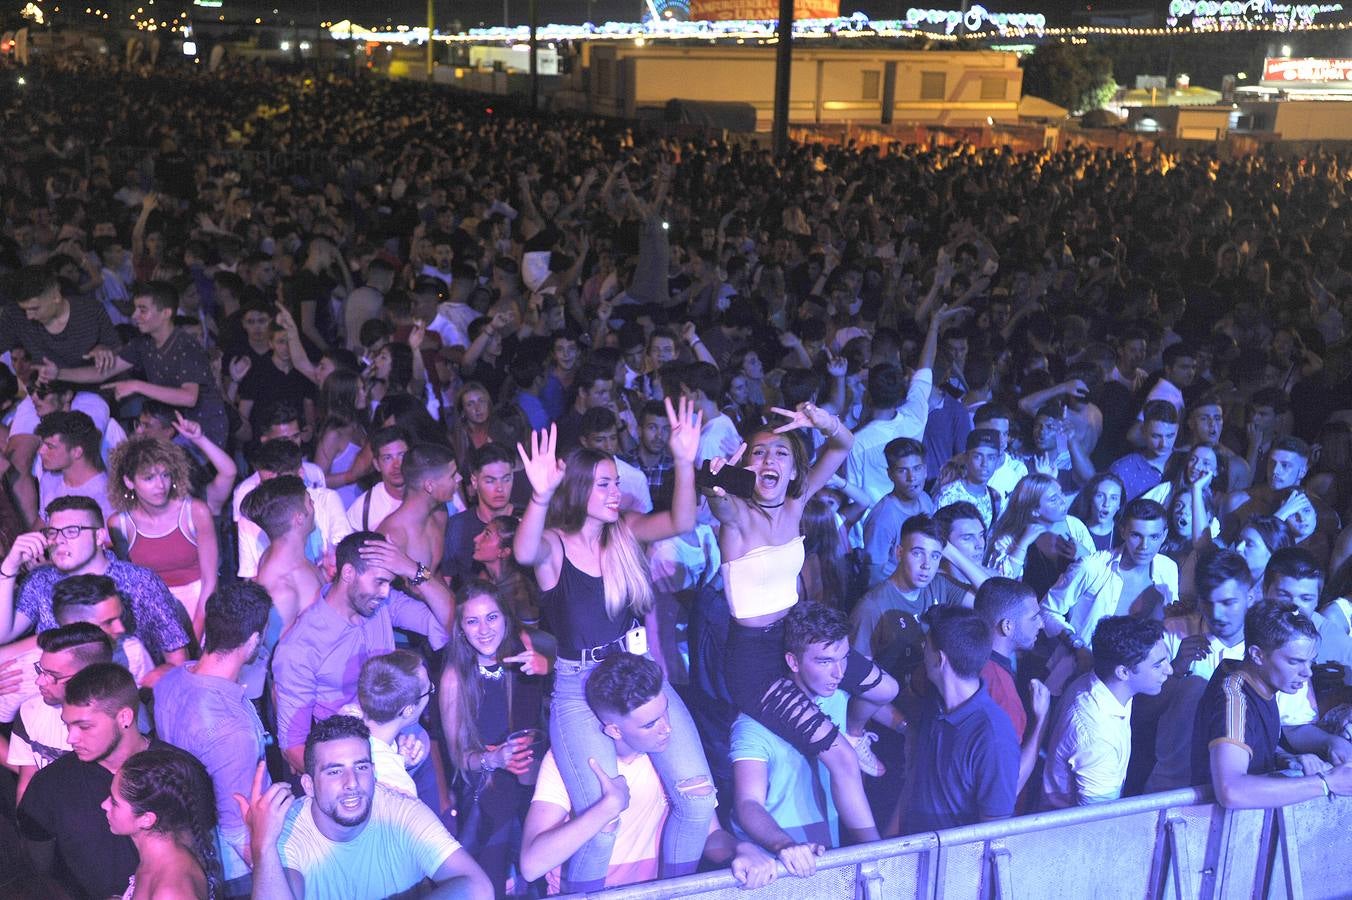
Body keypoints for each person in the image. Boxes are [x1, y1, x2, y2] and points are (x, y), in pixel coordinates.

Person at [513, 398, 714, 891]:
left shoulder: (623, 533)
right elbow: (523, 550)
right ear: (579, 488)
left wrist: (685, 460)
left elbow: (683, 521)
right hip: (580, 689)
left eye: (616, 482)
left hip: (637, 675)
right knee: (601, 826)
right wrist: (539, 496)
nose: (614, 491)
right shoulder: (555, 547)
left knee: (697, 799)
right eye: (604, 483)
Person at [519, 653, 778, 892]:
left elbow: (710, 835)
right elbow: (531, 866)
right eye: (650, 724)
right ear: (615, 730)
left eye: (665, 711)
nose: (666, 728)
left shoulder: (672, 758)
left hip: (653, 891)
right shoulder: (569, 760)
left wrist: (740, 848)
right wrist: (607, 807)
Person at [238, 715, 495, 900]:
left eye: (361, 767)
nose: (352, 783)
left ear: (373, 772)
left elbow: (479, 887)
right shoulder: (289, 827)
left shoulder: (403, 812)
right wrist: (263, 847)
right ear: (309, 785)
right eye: (334, 771)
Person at [271, 531, 451, 775]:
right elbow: (293, 746)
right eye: (379, 581)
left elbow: (448, 622)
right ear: (348, 573)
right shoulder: (300, 648)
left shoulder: (383, 604)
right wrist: (359, 781)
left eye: (390, 582)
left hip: (413, 753)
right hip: (360, 776)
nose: (386, 592)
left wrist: (413, 569)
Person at [153, 579, 273, 893]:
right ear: (253, 640)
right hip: (237, 870)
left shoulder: (170, 681)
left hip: (190, 840)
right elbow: (237, 831)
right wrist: (272, 876)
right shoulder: (233, 730)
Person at [439, 581, 549, 897]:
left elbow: (571, 655)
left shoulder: (527, 653)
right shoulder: (454, 678)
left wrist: (547, 665)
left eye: (492, 617)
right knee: (492, 884)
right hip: (488, 794)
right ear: (460, 628)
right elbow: (459, 756)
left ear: (505, 618)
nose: (484, 629)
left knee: (541, 881)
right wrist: (493, 759)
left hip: (535, 787)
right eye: (472, 621)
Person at [0, 496, 191, 677]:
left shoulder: (139, 581)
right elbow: (3, 635)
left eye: (71, 531)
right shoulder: (41, 580)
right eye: (53, 532)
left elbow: (177, 659)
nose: (58, 540)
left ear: (99, 536)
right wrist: (9, 567)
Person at [731, 602, 852, 873]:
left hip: (827, 851)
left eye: (844, 658)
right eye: (825, 661)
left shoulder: (838, 701)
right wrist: (784, 844)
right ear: (793, 661)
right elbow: (748, 802)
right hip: (774, 863)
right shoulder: (751, 724)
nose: (839, 673)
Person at [1196, 601, 1352, 808]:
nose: (1308, 673)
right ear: (1257, 655)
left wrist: (1288, 759)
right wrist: (1325, 782)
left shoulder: (1255, 682)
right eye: (1295, 661)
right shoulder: (1234, 699)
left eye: (1310, 662)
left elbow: (1250, 742)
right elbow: (1230, 790)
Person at [17, 663, 152, 900]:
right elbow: (40, 862)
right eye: (67, 725)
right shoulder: (49, 785)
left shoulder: (178, 771)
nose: (71, 738)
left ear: (124, 717)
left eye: (84, 726)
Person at [39, 280, 229, 447]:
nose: (134, 315)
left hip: (204, 433)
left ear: (165, 313)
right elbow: (103, 372)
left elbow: (189, 397)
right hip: (177, 429)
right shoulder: (143, 343)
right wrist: (59, 374)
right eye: (135, 309)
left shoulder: (186, 345)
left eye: (143, 310)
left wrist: (136, 385)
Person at [892, 606, 1019, 834]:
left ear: (939, 659)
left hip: (951, 865)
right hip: (910, 850)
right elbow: (915, 781)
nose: (923, 652)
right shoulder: (936, 702)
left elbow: (993, 831)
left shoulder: (993, 736)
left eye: (926, 646)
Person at [1042, 616, 1172, 809]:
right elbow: (1098, 821)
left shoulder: (1093, 683)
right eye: (1157, 665)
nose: (1168, 670)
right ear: (1123, 672)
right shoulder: (1097, 736)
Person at [106, 434, 218, 639]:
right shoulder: (119, 524)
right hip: (151, 611)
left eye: (165, 475)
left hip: (200, 606)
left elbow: (210, 582)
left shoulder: (196, 512)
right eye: (149, 478)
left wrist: (194, 635)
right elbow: (129, 585)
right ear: (129, 482)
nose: (160, 485)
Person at [843, 309, 949, 505]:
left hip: (870, 529)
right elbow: (925, 370)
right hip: (908, 521)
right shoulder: (914, 416)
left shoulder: (857, 443)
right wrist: (934, 325)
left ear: (868, 395)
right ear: (901, 393)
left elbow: (853, 497)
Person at [1043, 498, 1177, 650]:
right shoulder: (1092, 566)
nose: (1144, 546)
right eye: (1136, 535)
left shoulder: (1168, 569)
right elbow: (1047, 610)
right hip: (1084, 665)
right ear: (1123, 531)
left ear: (1164, 535)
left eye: (1154, 537)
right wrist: (1076, 646)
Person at [853, 515, 968, 680]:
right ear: (899, 553)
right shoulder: (872, 606)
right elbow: (857, 675)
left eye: (935, 556)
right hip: (893, 698)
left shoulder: (939, 585)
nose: (926, 564)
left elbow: (993, 600)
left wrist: (952, 552)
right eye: (917, 553)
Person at [9, 623, 113, 803]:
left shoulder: (120, 720)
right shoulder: (29, 711)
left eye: (52, 675)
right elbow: (26, 783)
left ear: (88, 675)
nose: (39, 681)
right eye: (40, 670)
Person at [102, 746, 221, 900]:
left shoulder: (171, 893)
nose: (104, 805)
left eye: (114, 802)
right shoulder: (159, 858)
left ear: (147, 819)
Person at [973, 578, 1050, 793]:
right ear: (1007, 626)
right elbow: (1009, 786)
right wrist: (1042, 720)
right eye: (1033, 617)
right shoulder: (1001, 692)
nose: (1041, 624)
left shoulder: (969, 660)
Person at [349, 650, 435, 798]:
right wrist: (397, 769)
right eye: (429, 690)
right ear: (408, 710)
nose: (433, 688)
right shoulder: (400, 788)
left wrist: (400, 762)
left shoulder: (344, 722)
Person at [243, 474, 324, 631]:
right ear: (299, 518)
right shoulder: (282, 593)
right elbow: (279, 653)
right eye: (309, 501)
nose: (313, 504)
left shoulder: (277, 554)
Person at [376, 442, 461, 582]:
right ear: (429, 486)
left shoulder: (440, 513)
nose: (459, 479)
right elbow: (415, 588)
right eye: (452, 476)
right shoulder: (392, 536)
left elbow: (433, 573)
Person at [861, 437, 934, 587]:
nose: (912, 477)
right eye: (902, 471)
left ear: (925, 470)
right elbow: (872, 578)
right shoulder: (882, 519)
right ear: (890, 475)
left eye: (917, 468)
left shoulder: (925, 500)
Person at [442, 442, 517, 590]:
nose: (500, 488)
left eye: (506, 479)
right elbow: (445, 582)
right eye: (490, 481)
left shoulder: (527, 522)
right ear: (475, 482)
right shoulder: (457, 527)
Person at [34, 410, 115, 522]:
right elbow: (43, 522)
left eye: (50, 446)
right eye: (42, 444)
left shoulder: (106, 493)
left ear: (77, 452)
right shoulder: (49, 480)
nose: (41, 451)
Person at [932, 429, 1003, 530]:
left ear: (997, 460)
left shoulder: (995, 496)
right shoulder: (948, 495)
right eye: (977, 456)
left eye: (991, 457)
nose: (984, 464)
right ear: (966, 458)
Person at [1110, 400, 1179, 502]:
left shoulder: (1188, 463)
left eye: (1170, 436)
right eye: (1156, 436)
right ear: (1143, 431)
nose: (1164, 444)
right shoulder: (1122, 469)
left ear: (1177, 430)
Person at [345, 426, 409, 532]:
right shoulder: (363, 509)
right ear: (376, 464)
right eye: (387, 458)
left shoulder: (429, 495)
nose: (396, 465)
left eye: (401, 455)